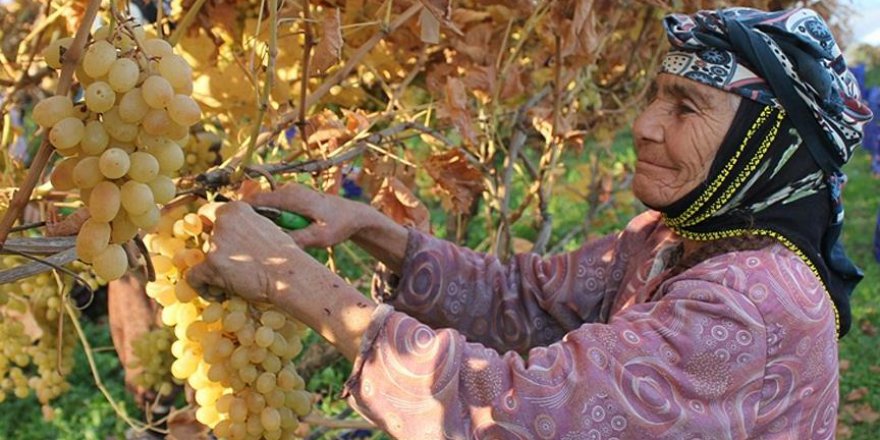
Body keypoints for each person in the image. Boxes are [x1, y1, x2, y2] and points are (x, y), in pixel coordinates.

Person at [187, 7, 873, 439]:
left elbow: (513, 415)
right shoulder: (672, 238)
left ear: (766, 148)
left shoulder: (748, 307)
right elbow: (525, 298)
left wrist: (299, 287)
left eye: (686, 109)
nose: (642, 125)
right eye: (654, 97)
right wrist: (371, 227)